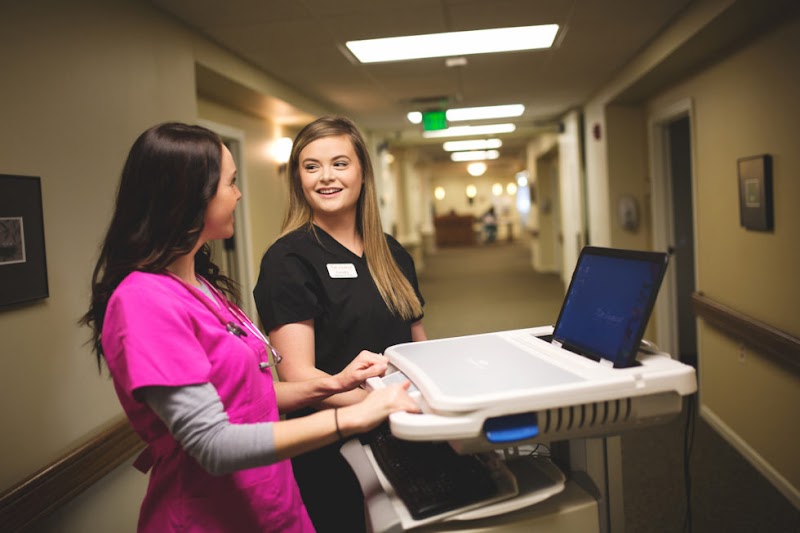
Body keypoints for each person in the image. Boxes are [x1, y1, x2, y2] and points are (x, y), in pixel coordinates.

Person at [81, 122, 420, 532]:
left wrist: (335, 382)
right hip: (208, 515)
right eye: (230, 183)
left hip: (269, 501)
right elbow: (212, 444)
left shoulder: (200, 287)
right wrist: (355, 416)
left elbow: (250, 395)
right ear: (190, 196)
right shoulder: (143, 301)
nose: (239, 195)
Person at [253, 116, 427, 532]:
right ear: (298, 178)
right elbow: (296, 376)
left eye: (339, 163)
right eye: (311, 166)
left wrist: (425, 399)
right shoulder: (288, 261)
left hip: (401, 430)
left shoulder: (392, 253)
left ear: (363, 172)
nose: (326, 177)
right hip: (331, 449)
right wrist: (384, 408)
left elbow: (418, 343)